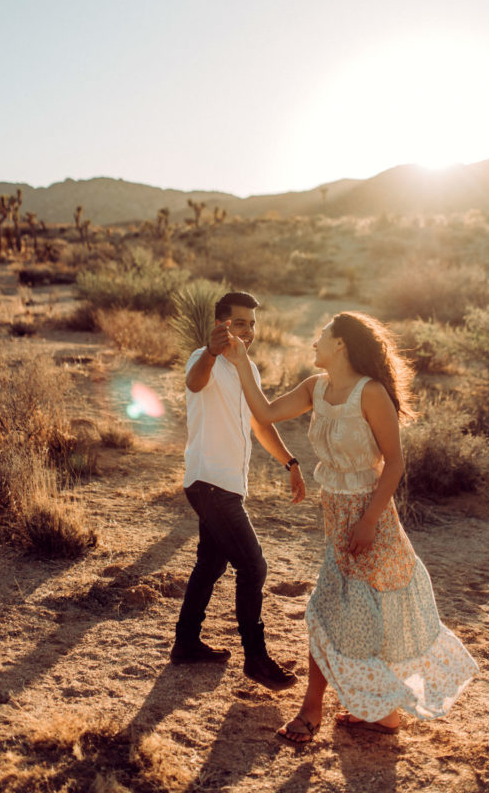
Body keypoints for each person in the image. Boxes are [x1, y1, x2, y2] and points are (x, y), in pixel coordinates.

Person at [227, 311, 478, 742]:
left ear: (341, 343)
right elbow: (264, 411)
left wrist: (368, 521)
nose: (314, 344)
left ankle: (313, 712)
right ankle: (382, 715)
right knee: (350, 615)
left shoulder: (371, 393)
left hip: (370, 521)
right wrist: (238, 361)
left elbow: (394, 462)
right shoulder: (316, 388)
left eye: (321, 336)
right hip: (335, 519)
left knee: (335, 612)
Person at [171, 291, 306, 692]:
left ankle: (186, 643)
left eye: (252, 323)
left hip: (227, 483)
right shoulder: (202, 359)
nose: (249, 331)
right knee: (253, 566)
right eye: (240, 323)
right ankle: (256, 658)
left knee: (211, 565)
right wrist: (211, 354)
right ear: (222, 324)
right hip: (210, 481)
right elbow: (196, 383)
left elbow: (260, 424)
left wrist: (291, 462)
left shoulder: (249, 369)